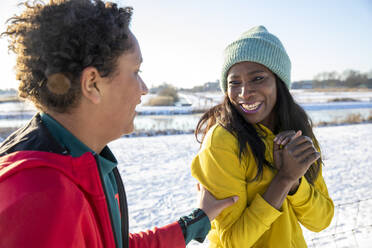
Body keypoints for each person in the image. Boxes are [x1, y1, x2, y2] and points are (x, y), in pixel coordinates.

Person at [0, 1, 238, 247]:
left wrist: (195, 221)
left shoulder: (75, 159)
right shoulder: (42, 197)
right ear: (92, 83)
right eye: (136, 71)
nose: (144, 89)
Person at [191, 25, 334, 247]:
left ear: (279, 81)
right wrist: (284, 179)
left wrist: (296, 184)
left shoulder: (298, 132)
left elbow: (321, 221)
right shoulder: (222, 141)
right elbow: (231, 242)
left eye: (257, 78)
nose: (244, 92)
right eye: (234, 82)